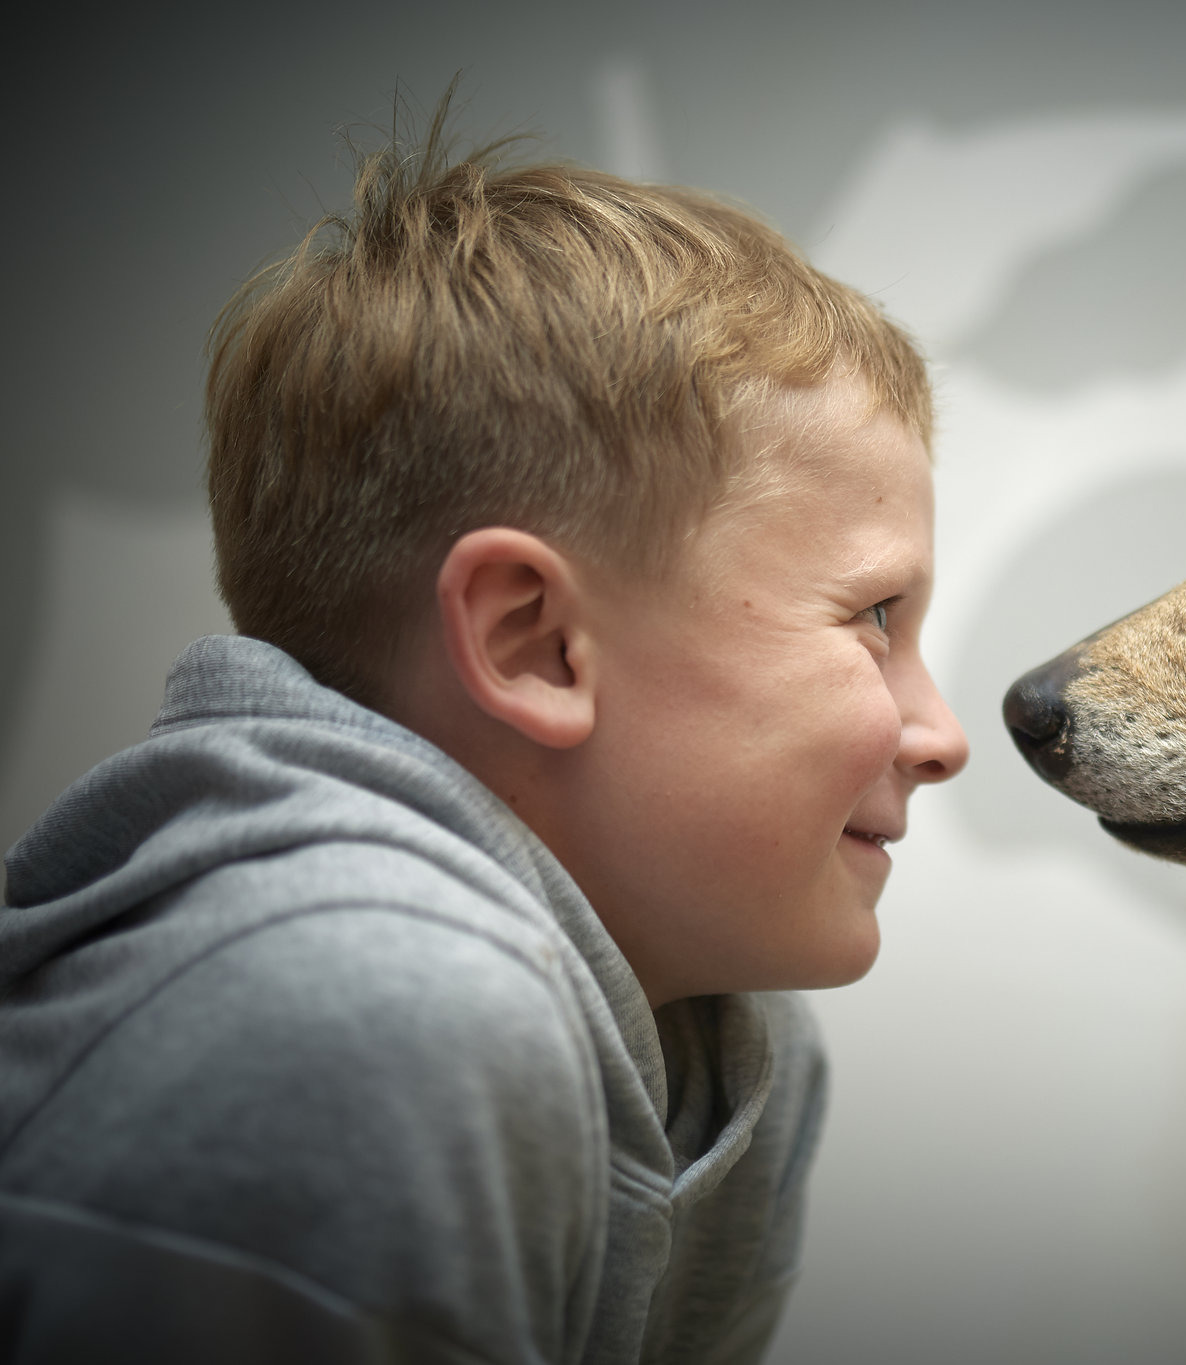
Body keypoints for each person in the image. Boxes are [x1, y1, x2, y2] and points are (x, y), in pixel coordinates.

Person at [0, 109, 967, 1364]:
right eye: (873, 618)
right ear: (533, 644)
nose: (939, 733)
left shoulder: (730, 1043)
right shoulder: (376, 1016)